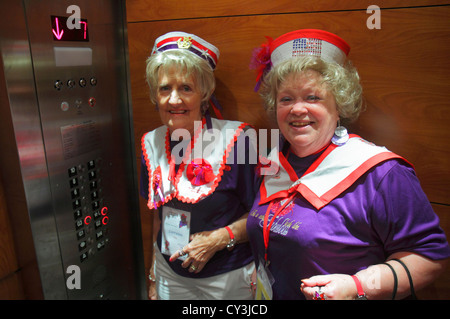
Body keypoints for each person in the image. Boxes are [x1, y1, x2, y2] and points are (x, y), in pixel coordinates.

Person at [246, 29, 450, 300]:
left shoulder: (382, 173)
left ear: (339, 103)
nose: (296, 109)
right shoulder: (273, 160)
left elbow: (429, 256)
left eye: (313, 97)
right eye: (286, 99)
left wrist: (358, 286)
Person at [140, 31, 256, 300]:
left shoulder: (238, 140)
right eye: (165, 88)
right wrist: (154, 273)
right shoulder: (150, 142)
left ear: (204, 94)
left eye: (186, 88)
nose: (174, 99)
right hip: (170, 274)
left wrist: (216, 240)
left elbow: (261, 214)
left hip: (227, 277)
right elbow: (157, 216)